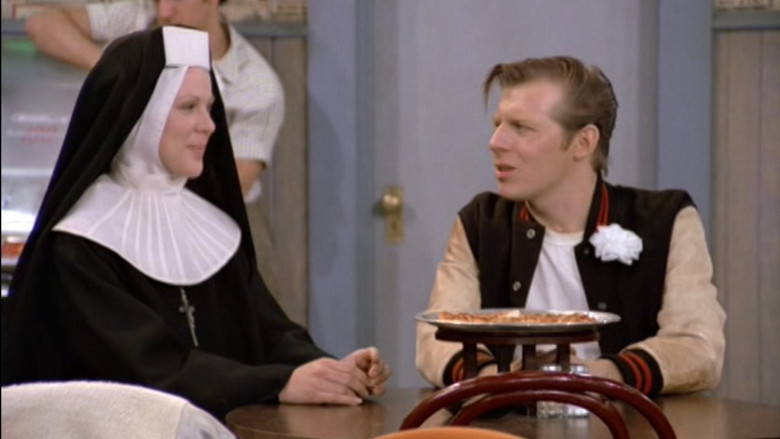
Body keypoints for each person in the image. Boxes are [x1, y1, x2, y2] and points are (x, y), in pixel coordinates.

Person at [1, 26, 390, 419]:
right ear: (140, 116)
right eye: (188, 107)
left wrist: (330, 371)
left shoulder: (213, 228)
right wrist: (279, 382)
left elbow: (269, 333)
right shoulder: (79, 244)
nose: (209, 124)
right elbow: (149, 369)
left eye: (209, 106)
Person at [416, 56, 725, 397]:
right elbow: (435, 339)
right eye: (498, 124)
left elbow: (699, 347)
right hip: (501, 421)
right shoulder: (481, 223)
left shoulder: (666, 219)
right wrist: (499, 379)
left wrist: (596, 375)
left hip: (631, 422)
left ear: (583, 143)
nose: (496, 142)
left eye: (521, 128)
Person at [25, 0, 285, 305]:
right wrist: (123, 75)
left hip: (219, 212)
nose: (164, 12)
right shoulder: (140, 15)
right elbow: (42, 25)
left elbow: (231, 181)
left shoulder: (256, 82)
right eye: (188, 106)